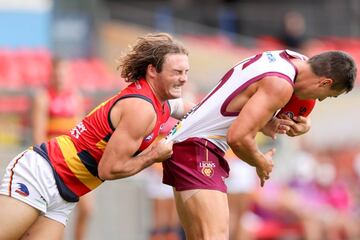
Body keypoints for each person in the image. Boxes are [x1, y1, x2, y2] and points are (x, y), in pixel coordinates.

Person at [0, 32, 192, 239]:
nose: (184, 79)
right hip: (41, 176)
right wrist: (153, 156)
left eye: (186, 72)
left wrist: (227, 111)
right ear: (153, 70)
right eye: (177, 72)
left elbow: (194, 110)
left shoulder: (160, 101)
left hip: (65, 192)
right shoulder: (141, 108)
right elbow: (108, 169)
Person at [163, 49, 357, 240]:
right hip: (200, 147)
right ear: (325, 82)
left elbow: (244, 103)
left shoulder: (293, 60)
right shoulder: (280, 85)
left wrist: (296, 124)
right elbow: (238, 138)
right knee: (216, 236)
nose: (320, 100)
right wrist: (261, 162)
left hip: (191, 142)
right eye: (328, 95)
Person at [32, 58, 94, 240]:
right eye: (57, 73)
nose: (60, 77)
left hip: (75, 161)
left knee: (87, 209)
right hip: (54, 162)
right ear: (51, 74)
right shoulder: (43, 98)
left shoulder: (76, 97)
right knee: (56, 214)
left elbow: (81, 130)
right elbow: (38, 136)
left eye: (64, 73)